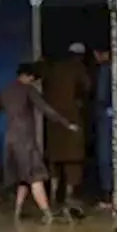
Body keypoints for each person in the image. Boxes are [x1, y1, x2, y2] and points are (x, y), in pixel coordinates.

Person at [0, 62, 78, 223]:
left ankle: (17, 213)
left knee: (23, 179)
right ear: (27, 76)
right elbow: (46, 109)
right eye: (33, 78)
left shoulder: (5, 91)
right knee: (36, 177)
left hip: (10, 142)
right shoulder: (28, 90)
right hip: (25, 141)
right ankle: (48, 214)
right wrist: (66, 123)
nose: (33, 81)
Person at [42, 43, 92, 210]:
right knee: (73, 160)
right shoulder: (79, 69)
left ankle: (54, 196)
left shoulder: (53, 68)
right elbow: (88, 87)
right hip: (71, 118)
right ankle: (69, 196)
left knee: (55, 159)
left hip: (53, 120)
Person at [91, 47, 115, 210]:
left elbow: (100, 97)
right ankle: (115, 194)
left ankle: (108, 198)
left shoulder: (105, 71)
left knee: (105, 158)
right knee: (116, 156)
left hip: (106, 119)